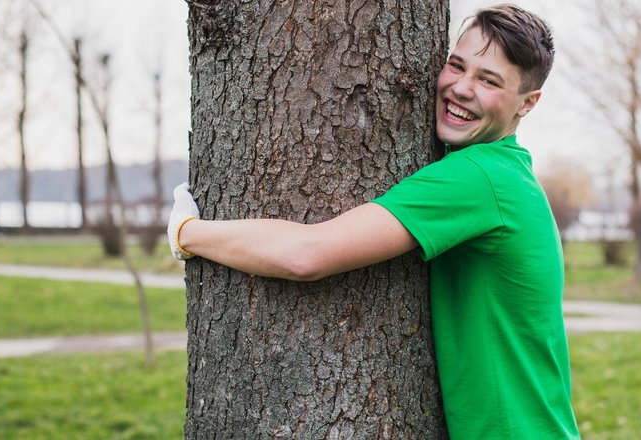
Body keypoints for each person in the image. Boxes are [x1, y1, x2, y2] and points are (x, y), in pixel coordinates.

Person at [168, 4, 580, 438]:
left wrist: (187, 232)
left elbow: (307, 255)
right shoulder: (505, 172)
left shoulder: (479, 177)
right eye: (457, 65)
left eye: (489, 80)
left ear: (528, 103)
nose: (461, 88)